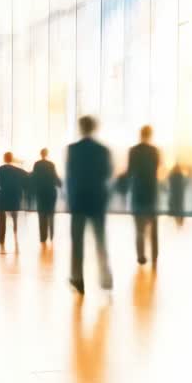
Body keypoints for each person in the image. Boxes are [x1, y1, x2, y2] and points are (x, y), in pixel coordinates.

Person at [66, 116, 114, 294]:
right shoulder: (103, 150)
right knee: (100, 241)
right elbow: (108, 174)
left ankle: (77, 279)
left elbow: (70, 177)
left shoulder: (73, 149)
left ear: (81, 128)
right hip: (97, 200)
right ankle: (105, 279)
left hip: (78, 200)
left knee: (77, 242)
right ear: (94, 128)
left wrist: (70, 200)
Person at [121, 125, 161, 265]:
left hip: (138, 193)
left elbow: (130, 171)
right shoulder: (155, 151)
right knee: (154, 229)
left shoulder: (133, 151)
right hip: (151, 193)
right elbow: (157, 169)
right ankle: (154, 256)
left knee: (139, 229)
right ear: (150, 135)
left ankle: (141, 256)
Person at [0, 152, 27, 245]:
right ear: (12, 159)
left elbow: (0, 183)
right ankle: (15, 228)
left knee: (1, 214)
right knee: (14, 212)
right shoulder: (19, 170)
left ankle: (1, 236)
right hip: (15, 196)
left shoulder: (0, 169)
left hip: (4, 195)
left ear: (4, 159)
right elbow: (26, 179)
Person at [31, 148, 62, 242]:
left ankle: (43, 237)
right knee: (51, 213)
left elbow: (34, 177)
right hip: (51, 192)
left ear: (41, 154)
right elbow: (55, 176)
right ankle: (51, 235)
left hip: (40, 192)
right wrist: (60, 184)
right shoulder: (51, 164)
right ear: (47, 154)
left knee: (41, 214)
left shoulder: (37, 164)